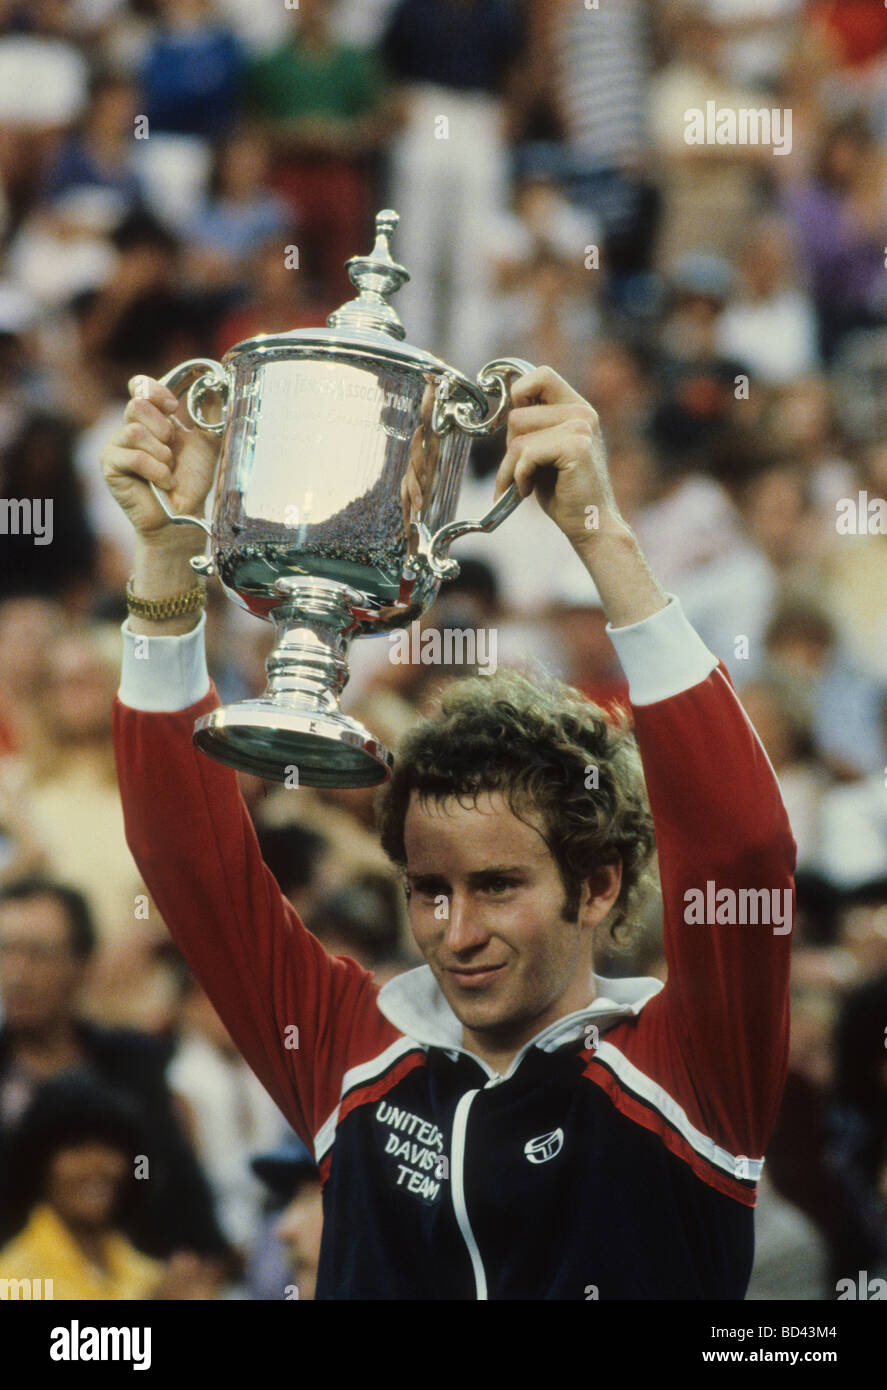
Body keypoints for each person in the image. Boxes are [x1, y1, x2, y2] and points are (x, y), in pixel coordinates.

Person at [101, 364, 796, 1299]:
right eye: (430, 891)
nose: (453, 934)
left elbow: (743, 849)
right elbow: (187, 859)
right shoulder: (355, 1049)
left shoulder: (689, 1068)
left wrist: (599, 534)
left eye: (497, 886)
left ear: (595, 884)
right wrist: (164, 556)